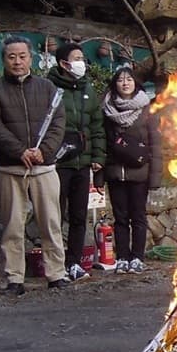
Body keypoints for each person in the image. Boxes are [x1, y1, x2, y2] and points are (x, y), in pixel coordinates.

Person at [0, 35, 70, 295]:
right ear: (4, 60)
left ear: (31, 58)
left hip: (44, 166)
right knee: (12, 225)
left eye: (22, 56)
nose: (17, 61)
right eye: (12, 57)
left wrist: (44, 150)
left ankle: (56, 274)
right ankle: (14, 278)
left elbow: (58, 122)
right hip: (10, 167)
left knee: (51, 222)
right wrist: (19, 151)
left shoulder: (47, 87)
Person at [48, 42, 106, 281]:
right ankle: (54, 265)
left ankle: (73, 262)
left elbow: (96, 125)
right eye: (77, 58)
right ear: (63, 63)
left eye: (83, 58)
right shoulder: (49, 87)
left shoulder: (88, 89)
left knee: (79, 215)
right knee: (55, 215)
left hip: (83, 161)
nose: (82, 63)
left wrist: (98, 156)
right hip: (57, 162)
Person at [101, 67, 161, 275]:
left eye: (129, 79)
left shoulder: (147, 109)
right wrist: (101, 176)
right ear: (114, 84)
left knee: (138, 216)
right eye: (120, 80)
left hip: (139, 172)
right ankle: (122, 258)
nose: (125, 83)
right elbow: (103, 143)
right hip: (116, 172)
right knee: (120, 217)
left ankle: (137, 257)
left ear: (136, 83)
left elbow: (155, 144)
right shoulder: (107, 109)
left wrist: (155, 177)